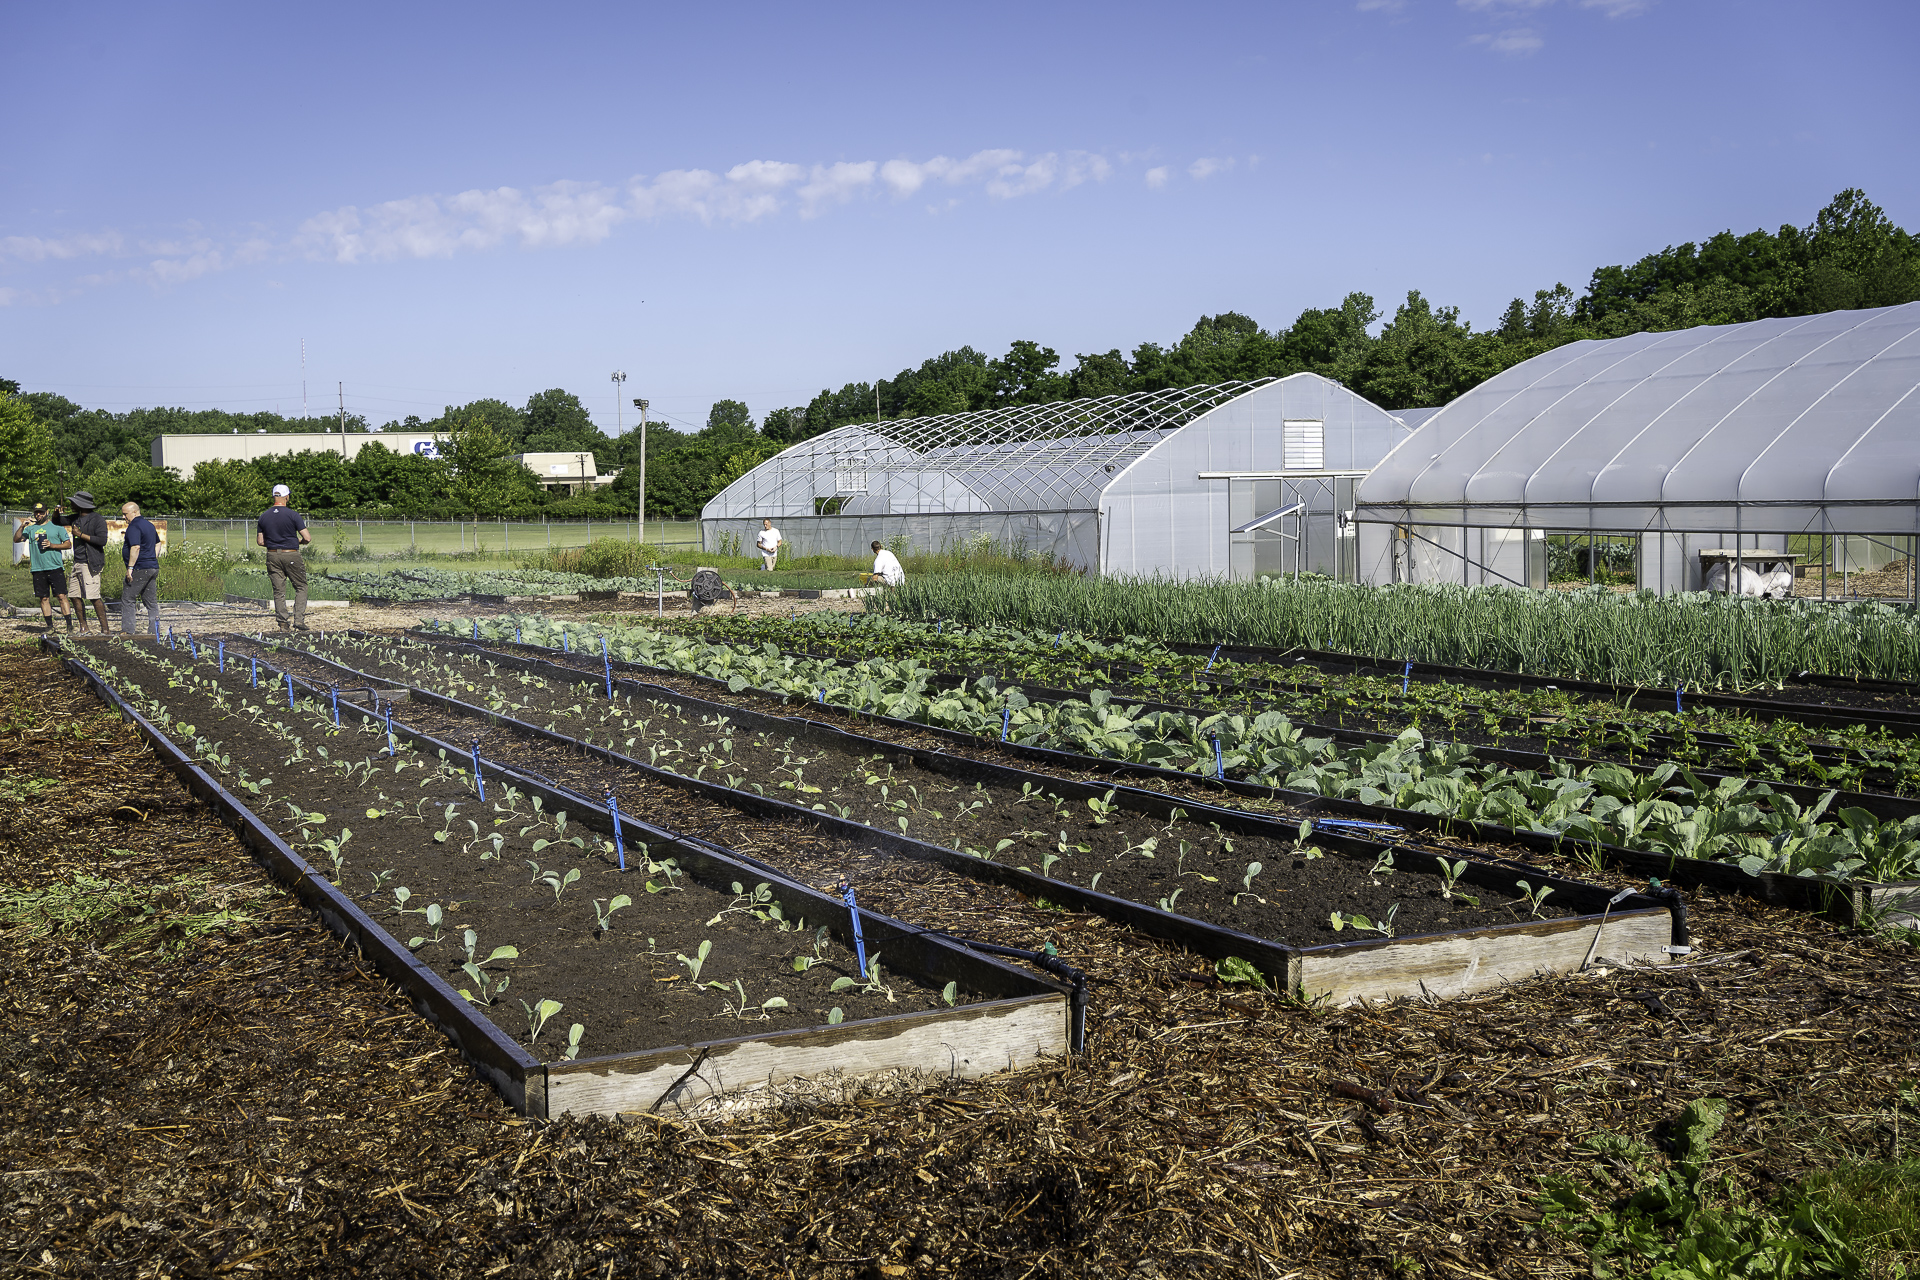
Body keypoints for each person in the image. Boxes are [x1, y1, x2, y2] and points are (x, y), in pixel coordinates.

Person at [256, 483, 313, 632]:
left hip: (272, 555)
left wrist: (275, 542)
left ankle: (283, 623)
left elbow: (260, 541)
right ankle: (299, 620)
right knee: (301, 586)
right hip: (291, 554)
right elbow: (307, 537)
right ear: (286, 497)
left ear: (274, 496)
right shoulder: (293, 515)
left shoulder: (264, 516)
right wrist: (298, 541)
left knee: (278, 590)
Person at [53, 490, 111, 633]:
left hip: (90, 563)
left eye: (74, 502)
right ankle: (83, 627)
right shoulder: (75, 518)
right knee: (74, 595)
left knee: (93, 596)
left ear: (82, 505)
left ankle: (105, 629)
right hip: (77, 562)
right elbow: (57, 521)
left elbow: (102, 541)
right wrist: (56, 512)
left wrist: (81, 535)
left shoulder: (98, 520)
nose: (71, 504)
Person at [13, 502, 73, 631]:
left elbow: (68, 545)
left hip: (55, 567)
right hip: (38, 569)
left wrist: (52, 545)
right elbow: (17, 539)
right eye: (36, 512)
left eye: (41, 512)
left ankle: (69, 626)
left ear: (47, 512)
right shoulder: (30, 529)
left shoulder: (57, 527)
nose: (38, 514)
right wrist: (22, 526)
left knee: (61, 596)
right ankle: (50, 627)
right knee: (44, 598)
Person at [119, 501, 161, 636]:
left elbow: (135, 547)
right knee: (151, 602)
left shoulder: (134, 526)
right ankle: (154, 631)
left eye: (125, 514)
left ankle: (128, 630)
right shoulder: (149, 525)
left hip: (140, 568)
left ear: (135, 512)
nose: (123, 517)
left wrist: (130, 568)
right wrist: (152, 558)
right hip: (152, 567)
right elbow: (158, 543)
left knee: (128, 599)